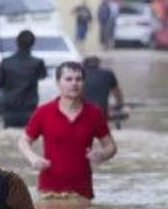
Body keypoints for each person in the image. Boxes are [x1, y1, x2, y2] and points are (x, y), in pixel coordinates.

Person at [18, 62, 117, 200]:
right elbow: (23, 141)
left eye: (78, 79)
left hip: (82, 192)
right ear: (58, 83)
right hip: (49, 191)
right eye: (68, 79)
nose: (74, 83)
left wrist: (103, 154)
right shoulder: (43, 112)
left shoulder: (94, 113)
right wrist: (33, 158)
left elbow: (111, 146)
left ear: (83, 83)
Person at [0, 29, 47, 128]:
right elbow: (43, 77)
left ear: (16, 41)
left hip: (10, 109)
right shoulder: (38, 63)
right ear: (33, 43)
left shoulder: (5, 62)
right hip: (30, 109)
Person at [81, 56, 125, 120]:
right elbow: (117, 94)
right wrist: (118, 106)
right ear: (99, 64)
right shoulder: (108, 73)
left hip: (83, 113)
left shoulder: (78, 74)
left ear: (83, 64)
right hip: (102, 112)